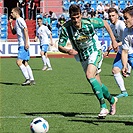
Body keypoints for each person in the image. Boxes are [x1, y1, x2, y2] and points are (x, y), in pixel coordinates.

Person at [58, 4, 118, 118]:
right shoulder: (66, 28)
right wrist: (67, 51)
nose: (76, 20)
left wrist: (113, 40)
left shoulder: (89, 22)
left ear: (81, 15)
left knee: (89, 75)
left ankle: (103, 106)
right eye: (73, 18)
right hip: (82, 55)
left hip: (95, 50)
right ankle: (112, 100)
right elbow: (60, 46)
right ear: (70, 17)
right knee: (97, 83)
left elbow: (105, 23)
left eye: (78, 17)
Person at [106, 8, 131, 98]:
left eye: (113, 15)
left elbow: (127, 39)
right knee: (115, 70)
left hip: (130, 52)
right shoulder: (112, 26)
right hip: (122, 52)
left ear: (117, 15)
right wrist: (113, 46)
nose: (111, 18)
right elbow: (118, 40)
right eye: (109, 16)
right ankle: (124, 92)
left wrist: (115, 44)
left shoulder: (121, 25)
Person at [9, 7, 35, 86]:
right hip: (23, 44)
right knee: (25, 62)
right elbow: (14, 32)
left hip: (23, 44)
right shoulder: (17, 21)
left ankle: (27, 79)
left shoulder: (20, 20)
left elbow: (25, 29)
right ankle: (32, 79)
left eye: (12, 12)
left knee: (18, 62)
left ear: (16, 13)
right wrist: (10, 23)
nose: (11, 14)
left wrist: (26, 42)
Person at [121, 6, 133, 76]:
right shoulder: (126, 31)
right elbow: (125, 51)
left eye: (126, 18)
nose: (124, 20)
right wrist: (125, 65)